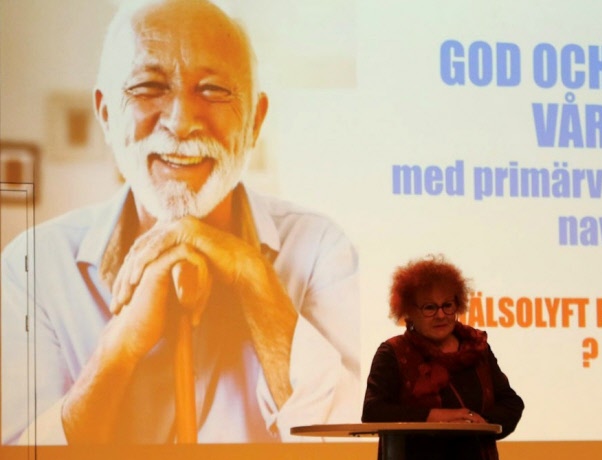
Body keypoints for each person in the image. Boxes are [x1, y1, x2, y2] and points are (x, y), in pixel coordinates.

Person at [1, 0, 359, 444]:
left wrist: (255, 280)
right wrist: (120, 347)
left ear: (255, 121)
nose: (182, 122)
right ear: (106, 114)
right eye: (149, 87)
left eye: (214, 90)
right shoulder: (34, 268)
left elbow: (349, 447)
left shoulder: (321, 250)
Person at [362, 255, 524, 460]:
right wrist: (436, 417)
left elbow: (511, 403)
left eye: (447, 305)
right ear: (408, 311)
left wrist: (479, 422)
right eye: (429, 307)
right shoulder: (393, 352)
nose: (441, 315)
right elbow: (374, 411)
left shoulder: (476, 347)